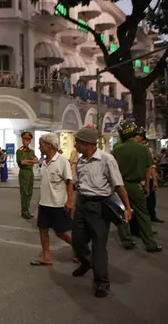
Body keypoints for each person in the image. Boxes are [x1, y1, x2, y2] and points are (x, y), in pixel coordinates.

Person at [71, 126, 132, 298]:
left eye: (77, 143)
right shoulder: (81, 161)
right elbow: (79, 186)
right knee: (77, 241)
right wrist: (75, 205)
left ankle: (102, 282)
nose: (75, 146)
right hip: (83, 206)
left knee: (99, 246)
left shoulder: (107, 160)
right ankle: (86, 262)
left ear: (87, 144)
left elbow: (119, 186)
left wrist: (127, 208)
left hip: (99, 207)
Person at [112, 122, 162, 252]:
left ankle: (127, 240)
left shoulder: (117, 149)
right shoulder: (143, 149)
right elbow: (148, 169)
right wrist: (146, 186)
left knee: (123, 213)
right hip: (136, 186)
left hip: (120, 186)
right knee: (143, 215)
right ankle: (150, 243)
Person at [30, 133, 74, 266]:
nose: (39, 148)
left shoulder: (62, 161)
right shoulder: (44, 162)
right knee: (42, 230)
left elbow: (69, 181)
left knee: (61, 233)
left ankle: (78, 248)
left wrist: (70, 201)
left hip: (58, 204)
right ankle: (46, 257)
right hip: (44, 204)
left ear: (49, 146)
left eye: (40, 145)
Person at [16, 131, 38, 219]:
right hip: (24, 172)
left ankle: (27, 210)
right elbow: (22, 162)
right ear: (22, 140)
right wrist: (31, 161)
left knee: (30, 192)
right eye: (24, 139)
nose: (26, 141)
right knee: (24, 192)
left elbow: (36, 160)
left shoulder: (31, 151)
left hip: (30, 172)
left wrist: (29, 161)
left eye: (28, 140)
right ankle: (24, 211)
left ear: (30, 141)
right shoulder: (20, 151)